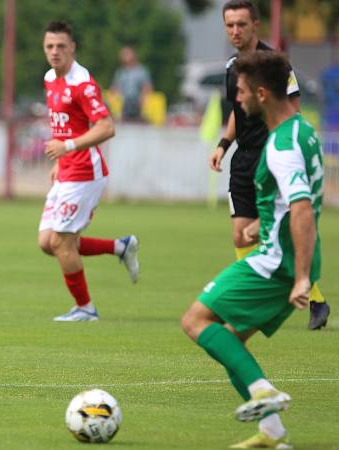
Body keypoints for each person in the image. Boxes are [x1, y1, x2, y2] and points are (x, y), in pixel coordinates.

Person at [182, 50, 324, 450]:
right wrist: (261, 225)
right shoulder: (303, 131)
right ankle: (273, 435)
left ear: (261, 94)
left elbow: (301, 209)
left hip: (280, 262)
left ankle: (263, 391)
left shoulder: (280, 146)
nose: (236, 100)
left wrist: (298, 277)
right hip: (294, 254)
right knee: (230, 342)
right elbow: (300, 203)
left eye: (241, 92)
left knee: (195, 320)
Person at [209, 0, 329, 330]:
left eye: (241, 25)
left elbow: (293, 111)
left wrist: (290, 150)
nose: (235, 31)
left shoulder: (276, 66)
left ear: (255, 25)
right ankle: (255, 297)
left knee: (276, 233)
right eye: (229, 25)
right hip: (244, 159)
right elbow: (238, 110)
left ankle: (313, 298)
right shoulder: (232, 67)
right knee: (240, 236)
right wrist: (223, 144)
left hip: (273, 159)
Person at [38, 21, 139, 322]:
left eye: (61, 46)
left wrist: (67, 148)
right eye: (49, 47)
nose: (55, 52)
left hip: (85, 172)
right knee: (48, 243)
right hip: (67, 169)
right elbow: (65, 124)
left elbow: (107, 127)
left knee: (60, 241)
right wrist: (59, 160)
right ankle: (121, 247)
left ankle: (86, 308)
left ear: (72, 48)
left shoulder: (82, 83)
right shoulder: (49, 78)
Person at [109, 46, 153, 121]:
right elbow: (114, 88)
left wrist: (143, 99)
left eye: (126, 54)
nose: (122, 56)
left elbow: (147, 88)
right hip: (123, 103)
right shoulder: (120, 72)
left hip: (137, 102)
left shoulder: (141, 71)